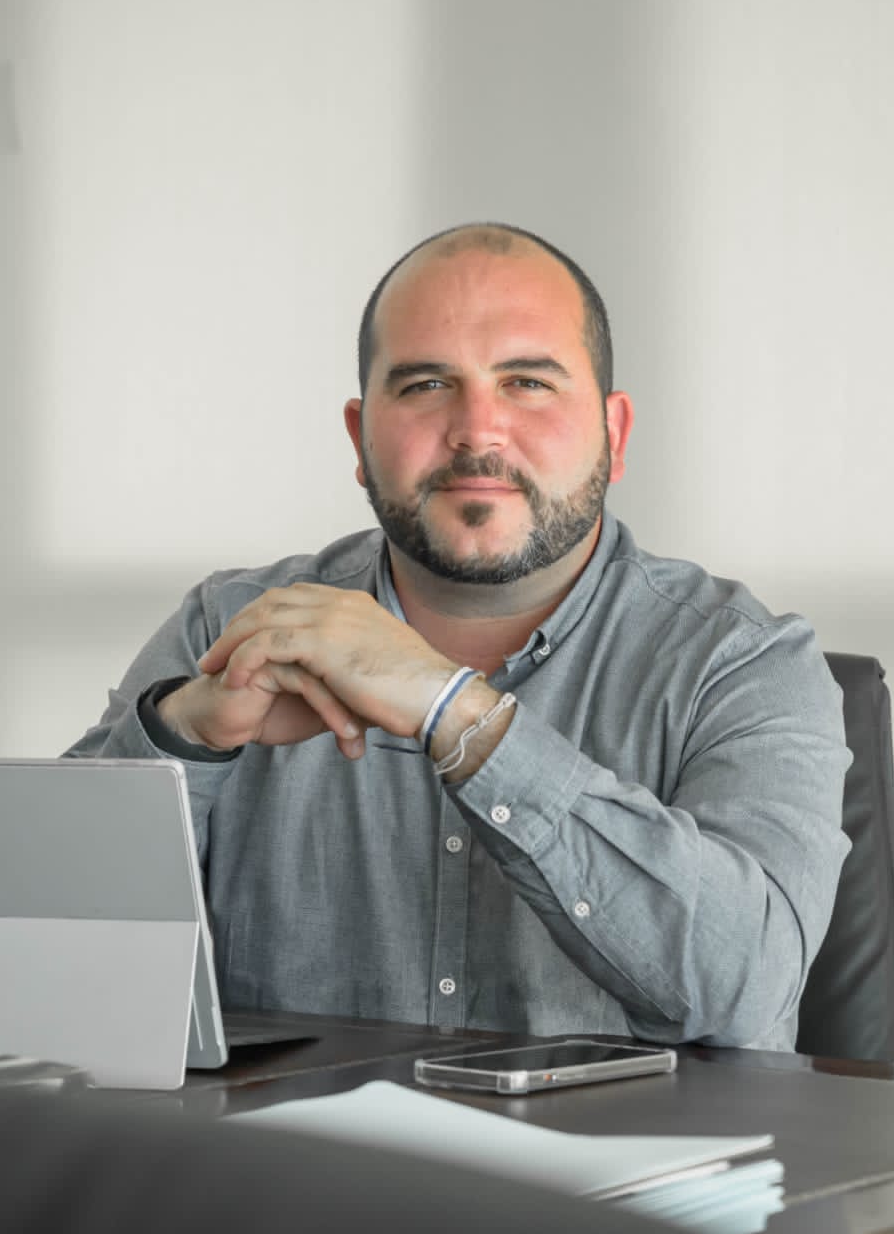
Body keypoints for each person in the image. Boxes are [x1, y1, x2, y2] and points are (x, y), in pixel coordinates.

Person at [68, 223, 850, 1049]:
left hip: (617, 1143)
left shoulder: (744, 661)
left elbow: (745, 987)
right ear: (359, 439)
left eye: (528, 382)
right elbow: (46, 959)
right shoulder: (229, 627)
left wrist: (456, 713)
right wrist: (183, 740)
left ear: (615, 434)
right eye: (427, 384)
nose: (478, 431)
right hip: (288, 1139)